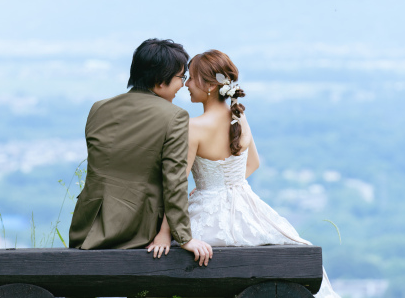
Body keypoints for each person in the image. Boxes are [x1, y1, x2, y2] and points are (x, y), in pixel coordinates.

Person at [146, 49, 341, 297]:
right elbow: (253, 164)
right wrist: (225, 184)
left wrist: (165, 233)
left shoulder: (192, 127)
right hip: (247, 206)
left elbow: (176, 185)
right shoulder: (239, 117)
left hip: (208, 209)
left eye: (193, 78)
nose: (187, 84)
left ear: (210, 86)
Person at [68, 39, 213, 266]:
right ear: (159, 79)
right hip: (135, 230)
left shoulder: (99, 108)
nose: (182, 86)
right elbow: (174, 181)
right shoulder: (174, 116)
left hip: (87, 224)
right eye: (180, 78)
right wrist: (184, 238)